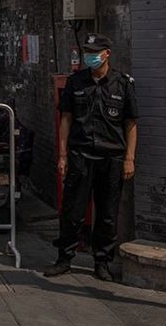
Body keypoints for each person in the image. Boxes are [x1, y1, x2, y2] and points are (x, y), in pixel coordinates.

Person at [45, 33, 139, 281]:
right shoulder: (77, 83)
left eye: (94, 52)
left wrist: (130, 158)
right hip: (80, 154)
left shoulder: (123, 83)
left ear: (107, 53)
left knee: (107, 213)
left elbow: (130, 124)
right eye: (88, 51)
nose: (90, 56)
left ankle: (102, 262)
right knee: (72, 210)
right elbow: (66, 119)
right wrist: (63, 155)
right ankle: (64, 258)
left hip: (112, 157)